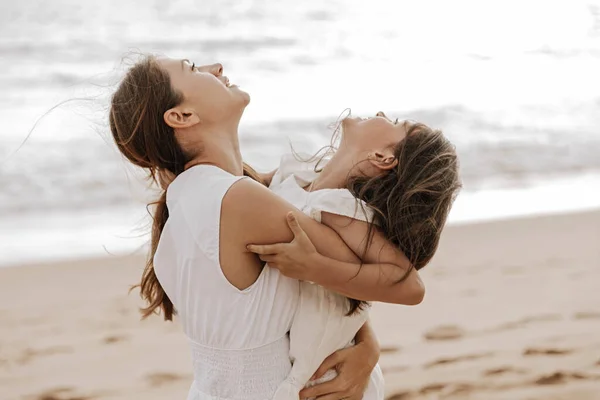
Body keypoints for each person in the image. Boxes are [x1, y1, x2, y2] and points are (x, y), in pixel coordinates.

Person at [109, 55, 427, 400]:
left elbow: (330, 286)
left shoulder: (201, 192)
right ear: (182, 116)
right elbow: (397, 281)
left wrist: (367, 342)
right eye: (191, 69)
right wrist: (368, 348)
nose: (215, 67)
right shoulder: (238, 199)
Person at [248, 112, 460, 400]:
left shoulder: (341, 208)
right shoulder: (298, 176)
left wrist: (314, 268)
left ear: (383, 157)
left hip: (323, 378)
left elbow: (411, 286)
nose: (384, 114)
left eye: (397, 124)